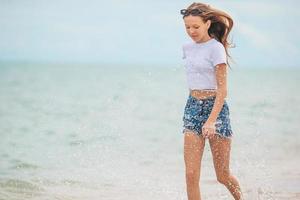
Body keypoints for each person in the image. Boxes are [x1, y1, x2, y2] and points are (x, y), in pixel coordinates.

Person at [180, 2, 243, 200]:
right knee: (191, 175)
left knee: (222, 175)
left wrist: (211, 120)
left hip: (216, 109)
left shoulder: (216, 49)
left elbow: (222, 90)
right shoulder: (186, 48)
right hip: (192, 107)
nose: (191, 31)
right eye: (187, 27)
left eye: (196, 27)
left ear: (207, 23)